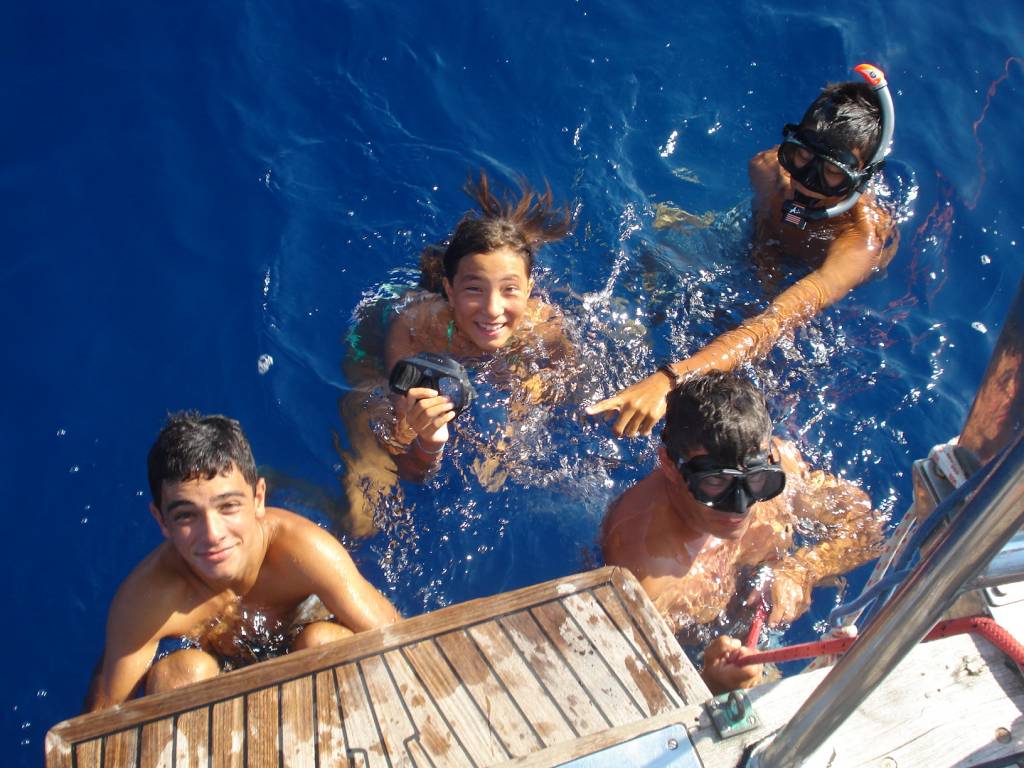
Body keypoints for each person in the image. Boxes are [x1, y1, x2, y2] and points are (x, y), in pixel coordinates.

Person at [587, 65, 899, 437]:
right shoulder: (768, 170)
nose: (807, 180)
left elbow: (774, 323)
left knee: (755, 385)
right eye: (801, 158)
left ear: (861, 178)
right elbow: (763, 222)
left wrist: (670, 379)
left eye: (831, 173)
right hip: (754, 246)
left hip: (812, 288)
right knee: (657, 251)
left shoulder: (859, 243)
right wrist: (763, 265)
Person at [84, 412, 400, 712]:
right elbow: (98, 729)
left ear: (258, 499)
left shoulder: (303, 551)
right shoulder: (147, 600)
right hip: (214, 670)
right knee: (182, 673)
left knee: (321, 643)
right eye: (186, 515)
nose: (212, 534)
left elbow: (403, 642)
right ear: (161, 521)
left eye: (228, 507)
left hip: (300, 638)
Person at [600, 372, 884, 693]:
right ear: (668, 464)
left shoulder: (782, 465)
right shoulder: (649, 578)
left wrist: (802, 570)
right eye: (715, 483)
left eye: (758, 481)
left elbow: (866, 528)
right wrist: (711, 683)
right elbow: (634, 689)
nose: (739, 507)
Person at [337, 170, 574, 534]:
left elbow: (569, 381)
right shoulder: (417, 331)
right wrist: (432, 443)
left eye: (509, 289)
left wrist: (516, 424)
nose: (493, 309)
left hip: (465, 341)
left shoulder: (541, 325)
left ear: (530, 288)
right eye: (474, 289)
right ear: (448, 290)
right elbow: (408, 461)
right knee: (364, 516)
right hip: (373, 339)